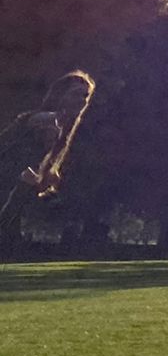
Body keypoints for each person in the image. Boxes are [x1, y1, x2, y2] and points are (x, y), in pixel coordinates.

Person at [0, 72, 97, 241]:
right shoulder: (49, 122)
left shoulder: (61, 128)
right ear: (61, 95)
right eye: (75, 94)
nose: (82, 100)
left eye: (85, 96)